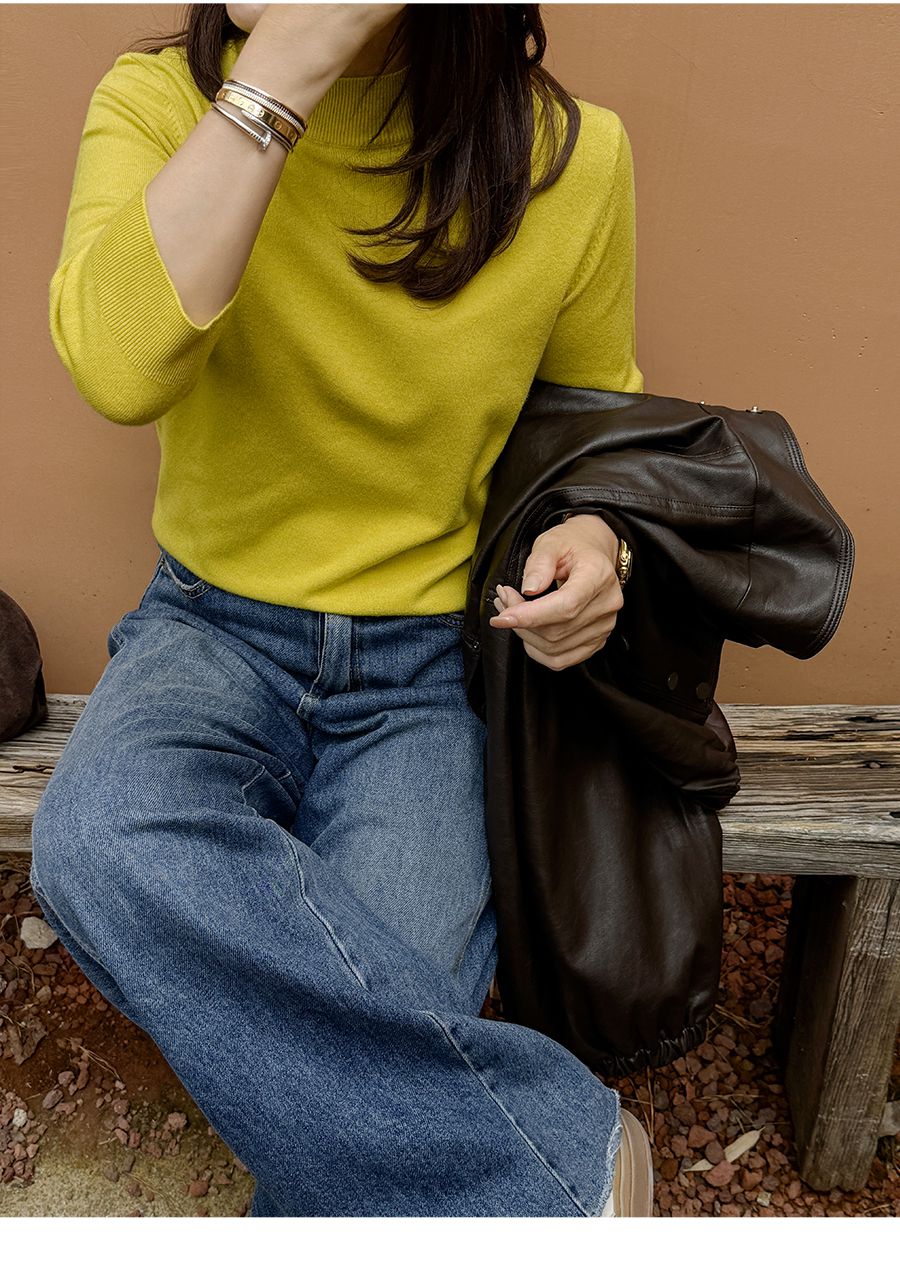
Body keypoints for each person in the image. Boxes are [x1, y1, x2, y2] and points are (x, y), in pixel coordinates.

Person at [31, 2, 653, 1217]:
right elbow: (116, 364)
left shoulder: (572, 157)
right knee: (98, 838)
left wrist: (597, 540)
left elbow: (596, 434)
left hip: (428, 664)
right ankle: (571, 1167)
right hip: (207, 627)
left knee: (389, 994)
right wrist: (280, 76)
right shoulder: (160, 106)